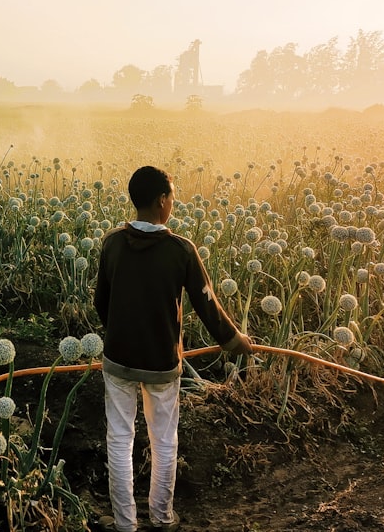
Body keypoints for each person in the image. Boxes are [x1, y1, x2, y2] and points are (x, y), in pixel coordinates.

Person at [94, 166, 253, 532]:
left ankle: (124, 524)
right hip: (163, 363)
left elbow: (101, 301)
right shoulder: (181, 250)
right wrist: (234, 342)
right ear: (161, 201)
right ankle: (163, 517)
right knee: (163, 440)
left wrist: (120, 330)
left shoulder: (112, 242)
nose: (173, 204)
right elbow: (207, 304)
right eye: (172, 197)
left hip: (118, 359)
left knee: (119, 439)